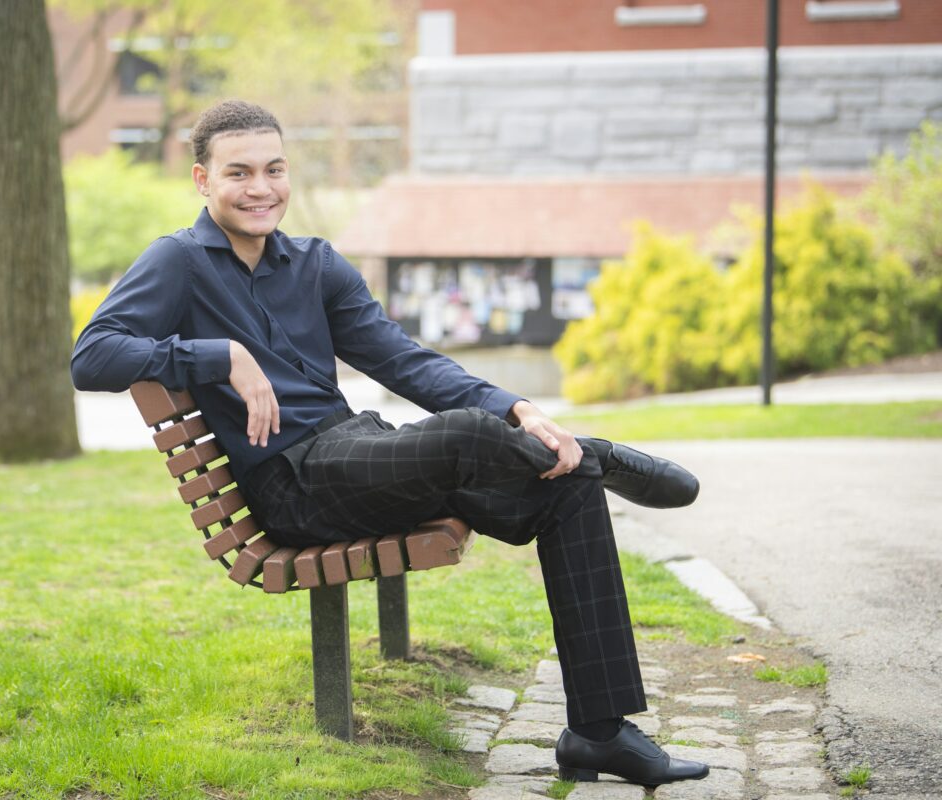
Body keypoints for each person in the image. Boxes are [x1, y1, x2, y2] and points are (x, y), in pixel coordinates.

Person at [71, 99, 708, 789]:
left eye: (275, 169)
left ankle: (598, 731)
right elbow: (93, 355)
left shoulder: (316, 263)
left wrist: (518, 408)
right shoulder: (179, 262)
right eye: (239, 173)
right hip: (295, 485)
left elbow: (403, 360)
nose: (261, 188)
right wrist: (217, 354)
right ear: (202, 180)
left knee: (568, 488)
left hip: (357, 453)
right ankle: (599, 452)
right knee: (471, 436)